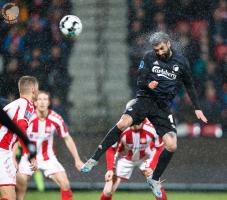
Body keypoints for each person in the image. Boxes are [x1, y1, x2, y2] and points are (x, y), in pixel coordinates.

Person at [81, 32, 208, 198]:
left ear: (168, 44)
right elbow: (139, 80)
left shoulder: (181, 62)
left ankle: (154, 179)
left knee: (172, 145)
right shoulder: (149, 57)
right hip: (145, 100)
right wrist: (149, 83)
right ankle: (94, 158)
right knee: (122, 123)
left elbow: (189, 85)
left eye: (161, 48)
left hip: (162, 107)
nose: (159, 52)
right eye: (156, 50)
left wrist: (197, 108)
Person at [16, 91, 84, 200]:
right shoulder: (28, 118)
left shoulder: (56, 118)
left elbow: (67, 138)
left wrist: (77, 159)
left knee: (65, 184)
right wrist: (13, 159)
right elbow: (16, 138)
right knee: (19, 186)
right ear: (35, 102)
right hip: (27, 158)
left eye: (45, 99)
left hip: (48, 158)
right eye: (39, 99)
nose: (42, 102)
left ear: (49, 102)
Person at [100, 115, 167, 200]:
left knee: (157, 188)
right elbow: (110, 148)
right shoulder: (120, 128)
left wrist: (151, 166)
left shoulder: (152, 128)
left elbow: (160, 147)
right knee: (108, 191)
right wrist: (110, 169)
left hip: (146, 158)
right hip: (125, 158)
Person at [0, 76, 39, 200]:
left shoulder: (14, 105)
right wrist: (31, 154)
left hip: (5, 150)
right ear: (33, 89)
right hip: (1, 150)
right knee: (9, 197)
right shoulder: (27, 106)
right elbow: (21, 128)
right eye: (37, 88)